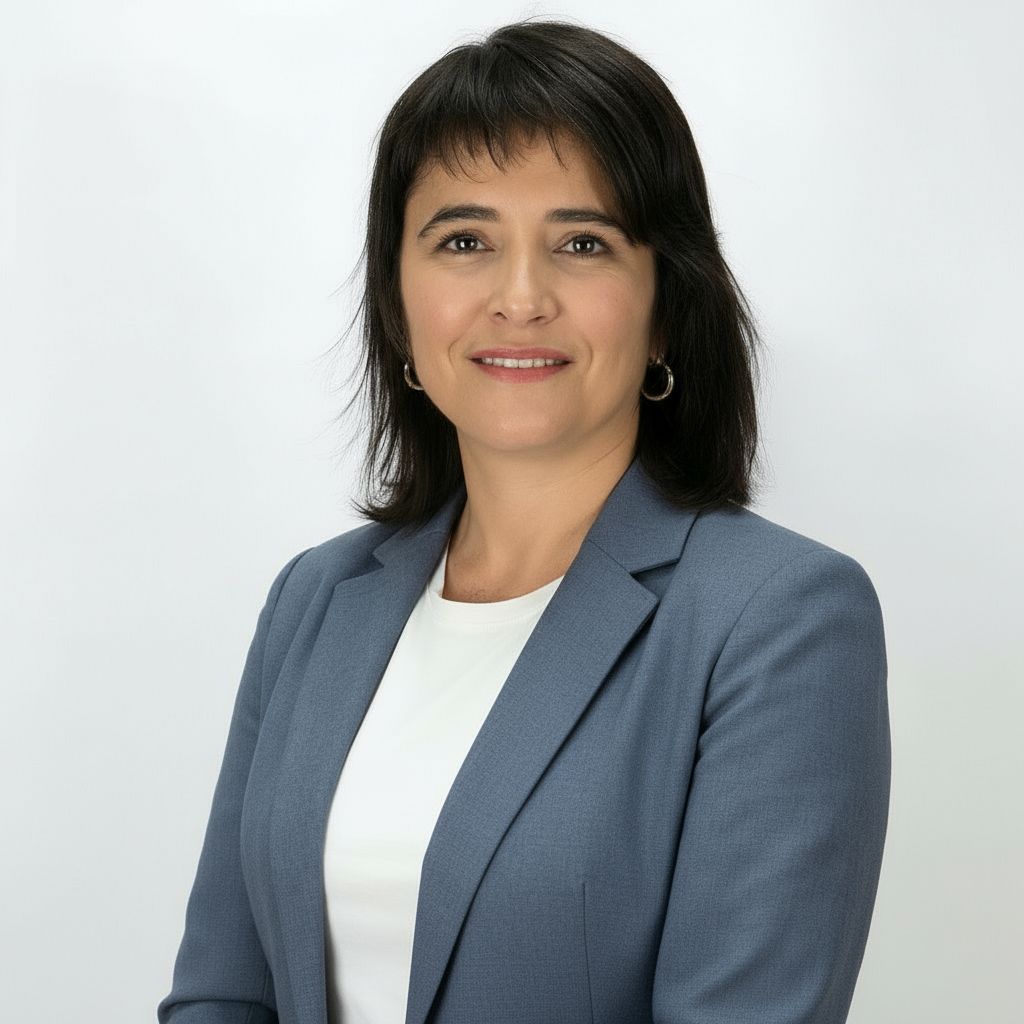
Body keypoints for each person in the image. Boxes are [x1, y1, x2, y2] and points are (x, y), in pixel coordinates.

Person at [157, 19, 890, 1024]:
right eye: (464, 241)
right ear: (397, 300)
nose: (520, 297)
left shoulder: (777, 619)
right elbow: (221, 992)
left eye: (582, 243)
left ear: (664, 305)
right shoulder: (315, 600)